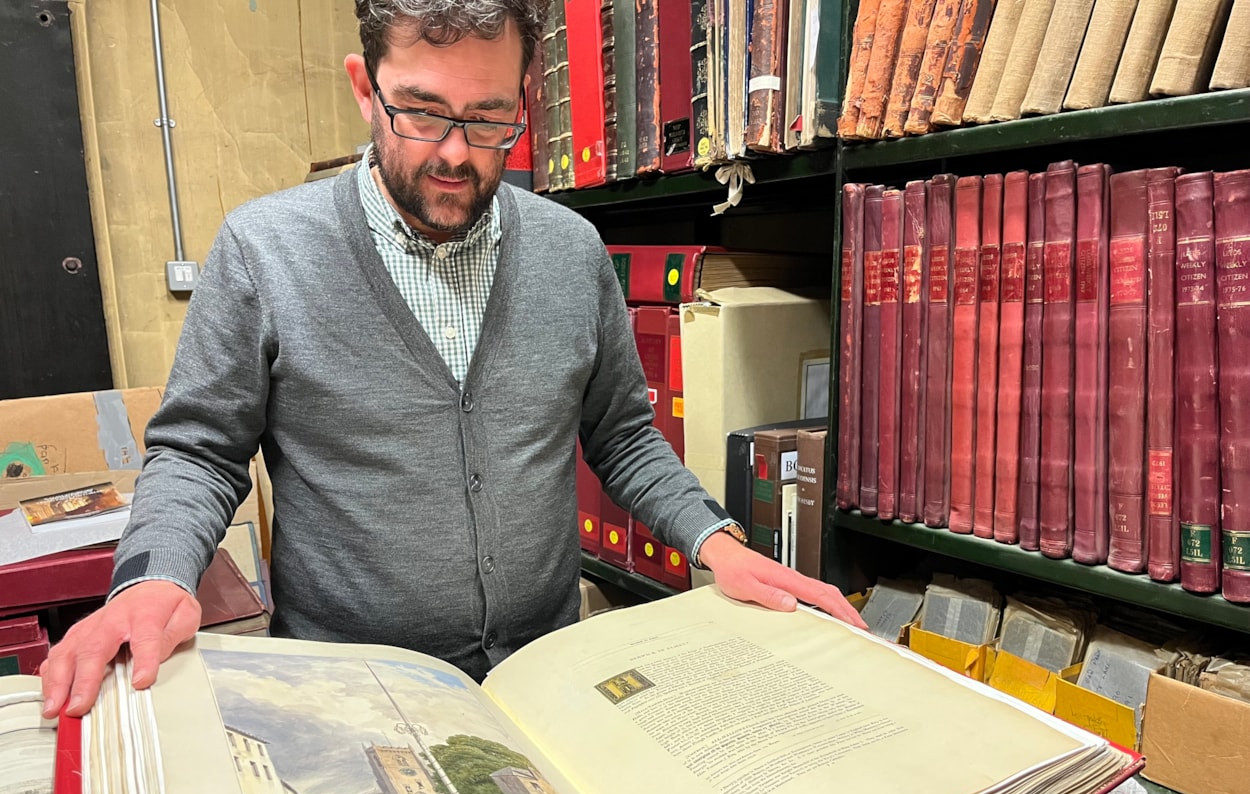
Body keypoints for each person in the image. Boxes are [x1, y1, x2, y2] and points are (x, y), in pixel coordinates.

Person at [38, 0, 865, 721]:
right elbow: (199, 451)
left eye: (488, 118)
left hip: (547, 679)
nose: (457, 154)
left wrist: (719, 543)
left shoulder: (573, 253)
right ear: (365, 88)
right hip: (351, 691)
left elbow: (622, 437)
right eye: (422, 113)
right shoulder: (266, 251)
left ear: (523, 101)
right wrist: (155, 578)